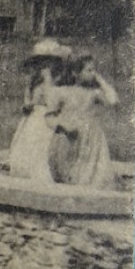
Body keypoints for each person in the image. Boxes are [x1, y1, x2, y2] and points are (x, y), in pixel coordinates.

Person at [48, 53, 119, 189]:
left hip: (91, 137)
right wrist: (61, 125)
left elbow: (113, 100)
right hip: (70, 134)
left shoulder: (94, 93)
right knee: (68, 169)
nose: (93, 73)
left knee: (89, 171)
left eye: (95, 70)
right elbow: (49, 117)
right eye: (89, 70)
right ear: (76, 72)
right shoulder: (63, 92)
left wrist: (100, 80)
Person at [8, 39, 69, 183]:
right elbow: (28, 98)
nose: (44, 66)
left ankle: (43, 176)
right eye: (41, 62)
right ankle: (23, 173)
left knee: (44, 147)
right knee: (28, 143)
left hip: (47, 117)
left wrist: (48, 80)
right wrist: (27, 104)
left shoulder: (55, 81)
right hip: (33, 117)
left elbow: (52, 100)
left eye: (49, 62)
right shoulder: (33, 81)